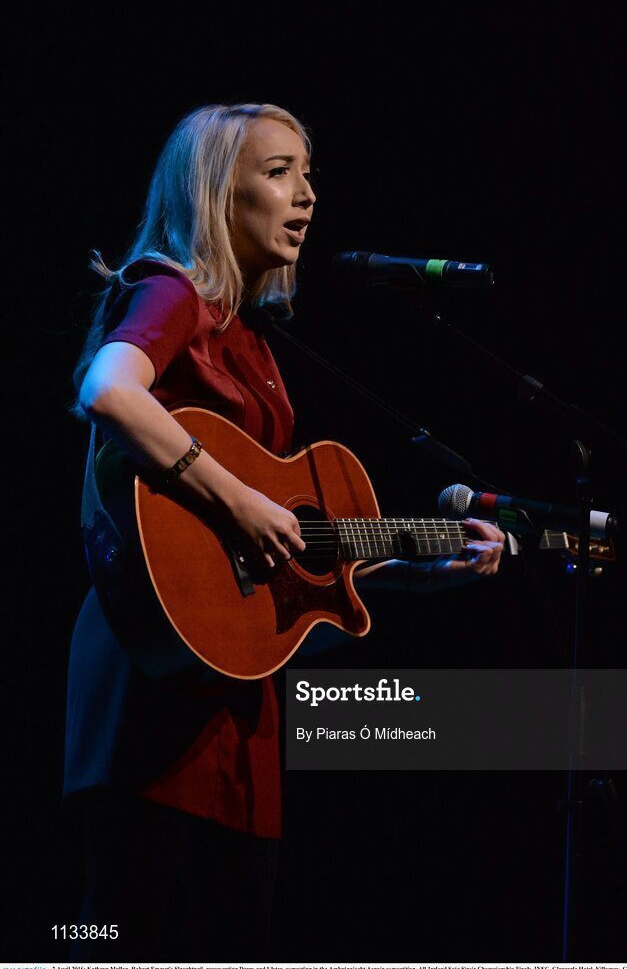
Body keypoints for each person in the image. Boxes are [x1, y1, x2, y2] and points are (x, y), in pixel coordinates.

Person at [64, 102, 505, 961]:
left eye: (308, 176)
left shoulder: (257, 346)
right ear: (214, 194)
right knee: (112, 934)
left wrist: (427, 568)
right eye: (277, 175)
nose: (304, 197)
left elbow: (286, 555)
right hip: (148, 671)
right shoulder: (171, 290)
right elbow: (108, 390)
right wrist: (234, 496)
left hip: (236, 692)